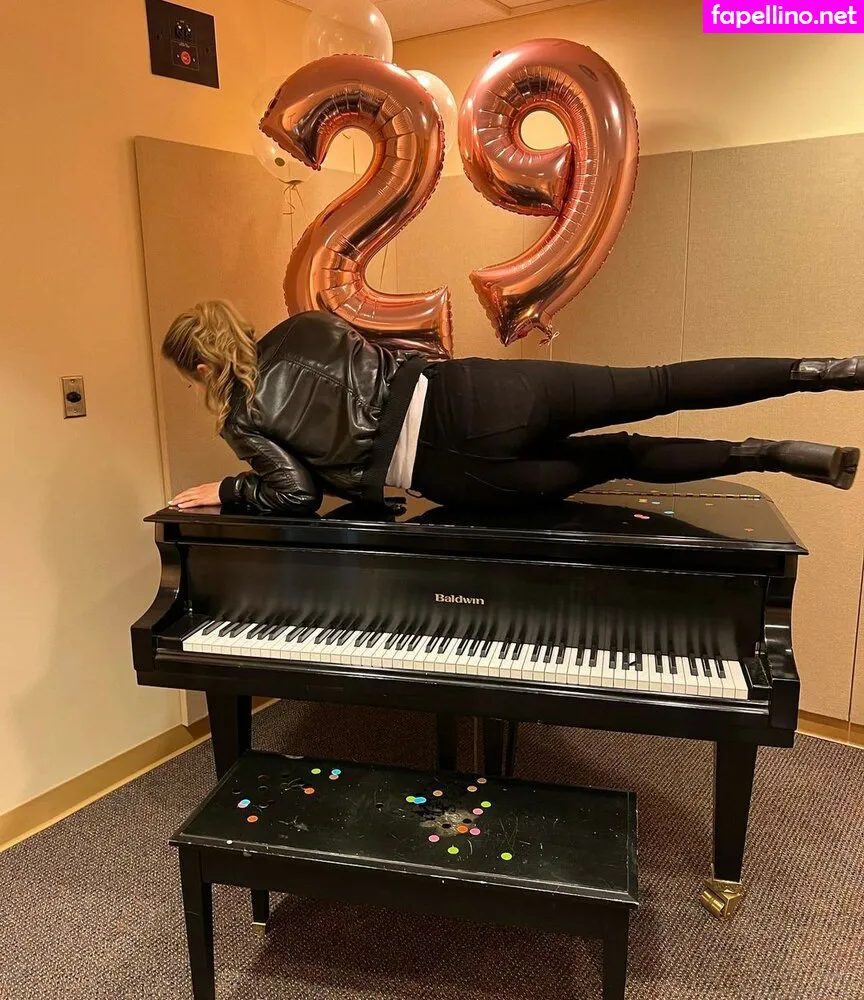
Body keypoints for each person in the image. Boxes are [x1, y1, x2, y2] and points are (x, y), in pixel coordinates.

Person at [162, 300, 862, 514]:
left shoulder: (241, 418)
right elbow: (386, 354)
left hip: (459, 473)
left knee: (619, 456)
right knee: (657, 383)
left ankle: (769, 456)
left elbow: (296, 497)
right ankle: (824, 372)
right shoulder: (306, 325)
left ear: (200, 367)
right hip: (479, 393)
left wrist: (228, 489)